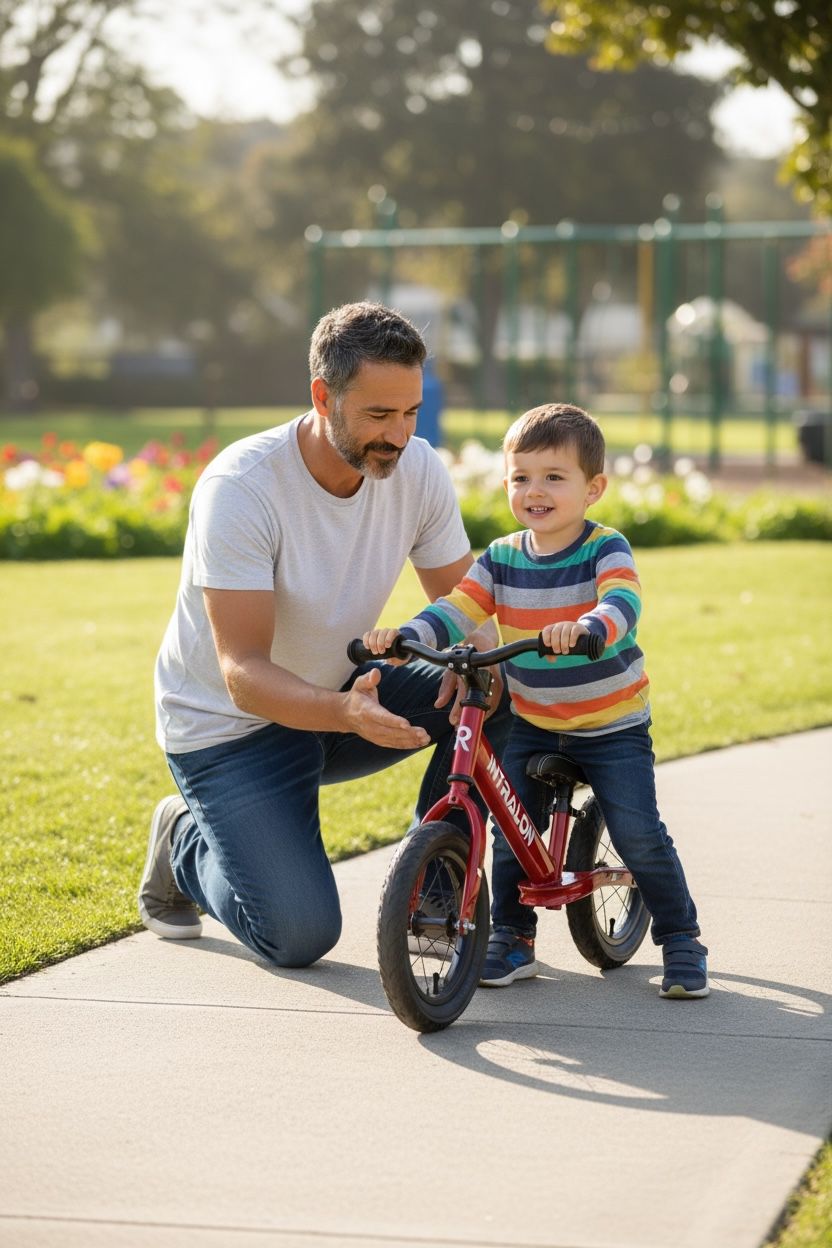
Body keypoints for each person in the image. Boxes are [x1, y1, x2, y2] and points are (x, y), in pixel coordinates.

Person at [140, 301, 506, 968]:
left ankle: (436, 891)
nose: (398, 435)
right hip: (230, 731)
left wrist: (488, 667)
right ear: (322, 396)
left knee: (490, 691)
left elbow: (467, 605)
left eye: (410, 413)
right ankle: (182, 842)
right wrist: (344, 712)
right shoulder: (243, 487)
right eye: (377, 415)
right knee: (300, 934)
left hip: (345, 694)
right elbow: (242, 672)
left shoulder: (418, 469)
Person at [364, 403, 708, 999]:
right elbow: (457, 607)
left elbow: (623, 604)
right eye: (521, 477)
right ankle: (513, 939)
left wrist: (591, 626)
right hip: (536, 720)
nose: (535, 490)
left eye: (554, 477)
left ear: (592, 488)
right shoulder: (501, 558)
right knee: (507, 825)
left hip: (611, 725)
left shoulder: (605, 548)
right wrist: (410, 638)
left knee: (638, 833)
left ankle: (681, 940)